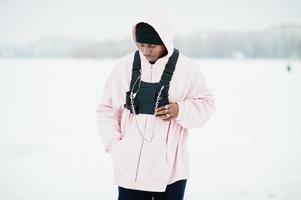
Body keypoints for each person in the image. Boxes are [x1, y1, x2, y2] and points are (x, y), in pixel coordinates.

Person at [95, 11, 215, 200]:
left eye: (152, 45)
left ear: (165, 41)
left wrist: (181, 110)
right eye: (141, 45)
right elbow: (106, 109)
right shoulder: (124, 67)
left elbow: (207, 104)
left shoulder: (187, 69)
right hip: (129, 169)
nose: (146, 50)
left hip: (170, 174)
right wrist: (115, 145)